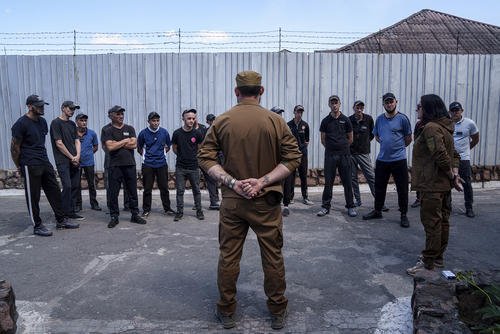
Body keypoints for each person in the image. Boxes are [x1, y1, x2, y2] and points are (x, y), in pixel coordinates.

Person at [198, 70, 301, 330]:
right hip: (266, 200)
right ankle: (277, 310)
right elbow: (293, 158)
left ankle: (227, 310)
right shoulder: (276, 121)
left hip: (233, 201)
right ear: (261, 91)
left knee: (229, 256)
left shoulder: (222, 121)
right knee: (273, 255)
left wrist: (233, 182)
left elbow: (205, 157)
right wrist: (262, 181)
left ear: (236, 91)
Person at [407, 94, 462, 276]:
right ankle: (438, 258)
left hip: (432, 185)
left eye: (419, 106)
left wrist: (450, 174)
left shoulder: (431, 128)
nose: (417, 110)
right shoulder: (445, 128)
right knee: (442, 222)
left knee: (432, 223)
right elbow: (454, 154)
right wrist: (454, 175)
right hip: (443, 185)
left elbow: (440, 155)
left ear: (428, 108)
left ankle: (428, 262)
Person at [10, 95, 79, 236]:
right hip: (29, 163)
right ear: (30, 106)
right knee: (33, 196)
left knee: (54, 190)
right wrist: (19, 165)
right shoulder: (21, 124)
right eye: (38, 105)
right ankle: (37, 225)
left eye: (42, 105)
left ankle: (61, 220)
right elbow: (15, 147)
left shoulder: (42, 122)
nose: (42, 108)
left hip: (44, 161)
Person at [363, 93, 412, 227]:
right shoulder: (379, 119)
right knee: (379, 187)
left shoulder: (403, 119)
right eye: (386, 102)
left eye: (391, 102)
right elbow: (377, 136)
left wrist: (398, 148)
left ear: (396, 102)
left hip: (399, 160)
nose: (389, 104)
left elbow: (408, 138)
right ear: (383, 104)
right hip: (383, 160)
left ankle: (403, 214)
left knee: (402, 188)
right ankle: (377, 211)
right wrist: (387, 144)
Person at [101, 105, 146, 228]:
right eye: (118, 114)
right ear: (111, 116)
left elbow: (134, 145)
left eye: (122, 114)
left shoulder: (129, 128)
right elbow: (110, 147)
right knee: (113, 192)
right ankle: (114, 216)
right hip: (114, 165)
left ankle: (134, 214)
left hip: (129, 164)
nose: (121, 116)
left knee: (132, 191)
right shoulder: (107, 130)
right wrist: (125, 141)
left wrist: (118, 143)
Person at [317, 95, 358, 218]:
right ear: (329, 105)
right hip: (330, 155)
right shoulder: (325, 121)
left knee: (347, 181)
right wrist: (332, 148)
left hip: (344, 155)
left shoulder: (346, 120)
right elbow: (323, 140)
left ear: (340, 104)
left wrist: (342, 147)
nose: (334, 105)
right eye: (332, 103)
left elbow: (350, 138)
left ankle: (350, 206)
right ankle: (325, 207)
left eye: (336, 103)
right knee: (328, 182)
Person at [50, 101, 84, 220]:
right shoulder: (56, 123)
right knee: (67, 186)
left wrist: (78, 155)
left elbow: (77, 141)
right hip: (63, 160)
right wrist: (71, 157)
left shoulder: (72, 125)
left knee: (74, 186)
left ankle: (71, 211)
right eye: (70, 108)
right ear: (63, 108)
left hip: (74, 160)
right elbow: (59, 143)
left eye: (74, 109)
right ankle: (62, 213)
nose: (72, 111)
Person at [137, 111, 175, 217]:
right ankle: (146, 209)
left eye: (157, 121)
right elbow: (139, 148)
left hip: (161, 164)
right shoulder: (143, 133)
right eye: (153, 121)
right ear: (148, 121)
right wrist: (147, 156)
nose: (155, 123)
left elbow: (168, 146)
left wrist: (161, 154)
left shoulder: (164, 132)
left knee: (164, 188)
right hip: (148, 164)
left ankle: (167, 209)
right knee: (147, 188)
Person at [171, 108, 205, 221]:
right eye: (189, 118)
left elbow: (200, 149)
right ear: (183, 119)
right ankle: (179, 212)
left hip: (194, 167)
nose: (191, 120)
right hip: (181, 167)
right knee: (180, 191)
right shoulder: (177, 133)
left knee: (196, 190)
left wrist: (193, 158)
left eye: (193, 118)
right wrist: (183, 156)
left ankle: (199, 211)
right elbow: (174, 149)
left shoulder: (198, 133)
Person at [281, 105, 313, 217]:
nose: (299, 114)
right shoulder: (288, 125)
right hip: (292, 155)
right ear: (294, 112)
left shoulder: (305, 125)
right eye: (298, 112)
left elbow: (307, 140)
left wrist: (302, 149)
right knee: (291, 176)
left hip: (302, 154)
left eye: (301, 112)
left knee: (303, 175)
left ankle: (305, 197)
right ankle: (290, 197)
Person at [449, 101, 480, 218]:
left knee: (466, 182)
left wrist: (466, 150)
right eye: (452, 110)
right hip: (449, 158)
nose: (455, 112)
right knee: (448, 182)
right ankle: (448, 206)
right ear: (449, 112)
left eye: (457, 110)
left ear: (462, 111)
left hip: (463, 158)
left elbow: (476, 138)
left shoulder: (469, 123)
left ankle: (469, 207)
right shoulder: (447, 123)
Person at [349, 100, 375, 207]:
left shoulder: (368, 119)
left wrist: (364, 143)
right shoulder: (349, 120)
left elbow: (372, 135)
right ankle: (357, 200)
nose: (359, 109)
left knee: (371, 177)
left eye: (361, 108)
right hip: (351, 153)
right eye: (357, 107)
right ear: (353, 108)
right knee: (353, 178)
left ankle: (379, 201)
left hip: (364, 153)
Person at [75, 113, 101, 211]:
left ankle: (94, 203)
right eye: (81, 120)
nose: (84, 122)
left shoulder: (92, 133)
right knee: (77, 184)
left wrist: (88, 154)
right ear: (76, 121)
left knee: (91, 184)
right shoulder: (73, 133)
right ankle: (78, 205)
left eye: (85, 121)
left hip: (89, 162)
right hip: (76, 163)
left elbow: (96, 147)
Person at [202, 113, 221, 210]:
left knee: (217, 180)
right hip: (209, 159)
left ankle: (216, 200)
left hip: (219, 158)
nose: (212, 121)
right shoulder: (205, 132)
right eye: (210, 120)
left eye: (213, 119)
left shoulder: (219, 130)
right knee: (211, 181)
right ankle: (214, 202)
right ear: (207, 121)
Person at [410, 103, 425, 208]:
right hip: (419, 156)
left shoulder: (431, 125)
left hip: (429, 158)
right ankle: (419, 198)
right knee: (418, 177)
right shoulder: (418, 124)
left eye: (418, 109)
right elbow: (415, 138)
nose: (417, 111)